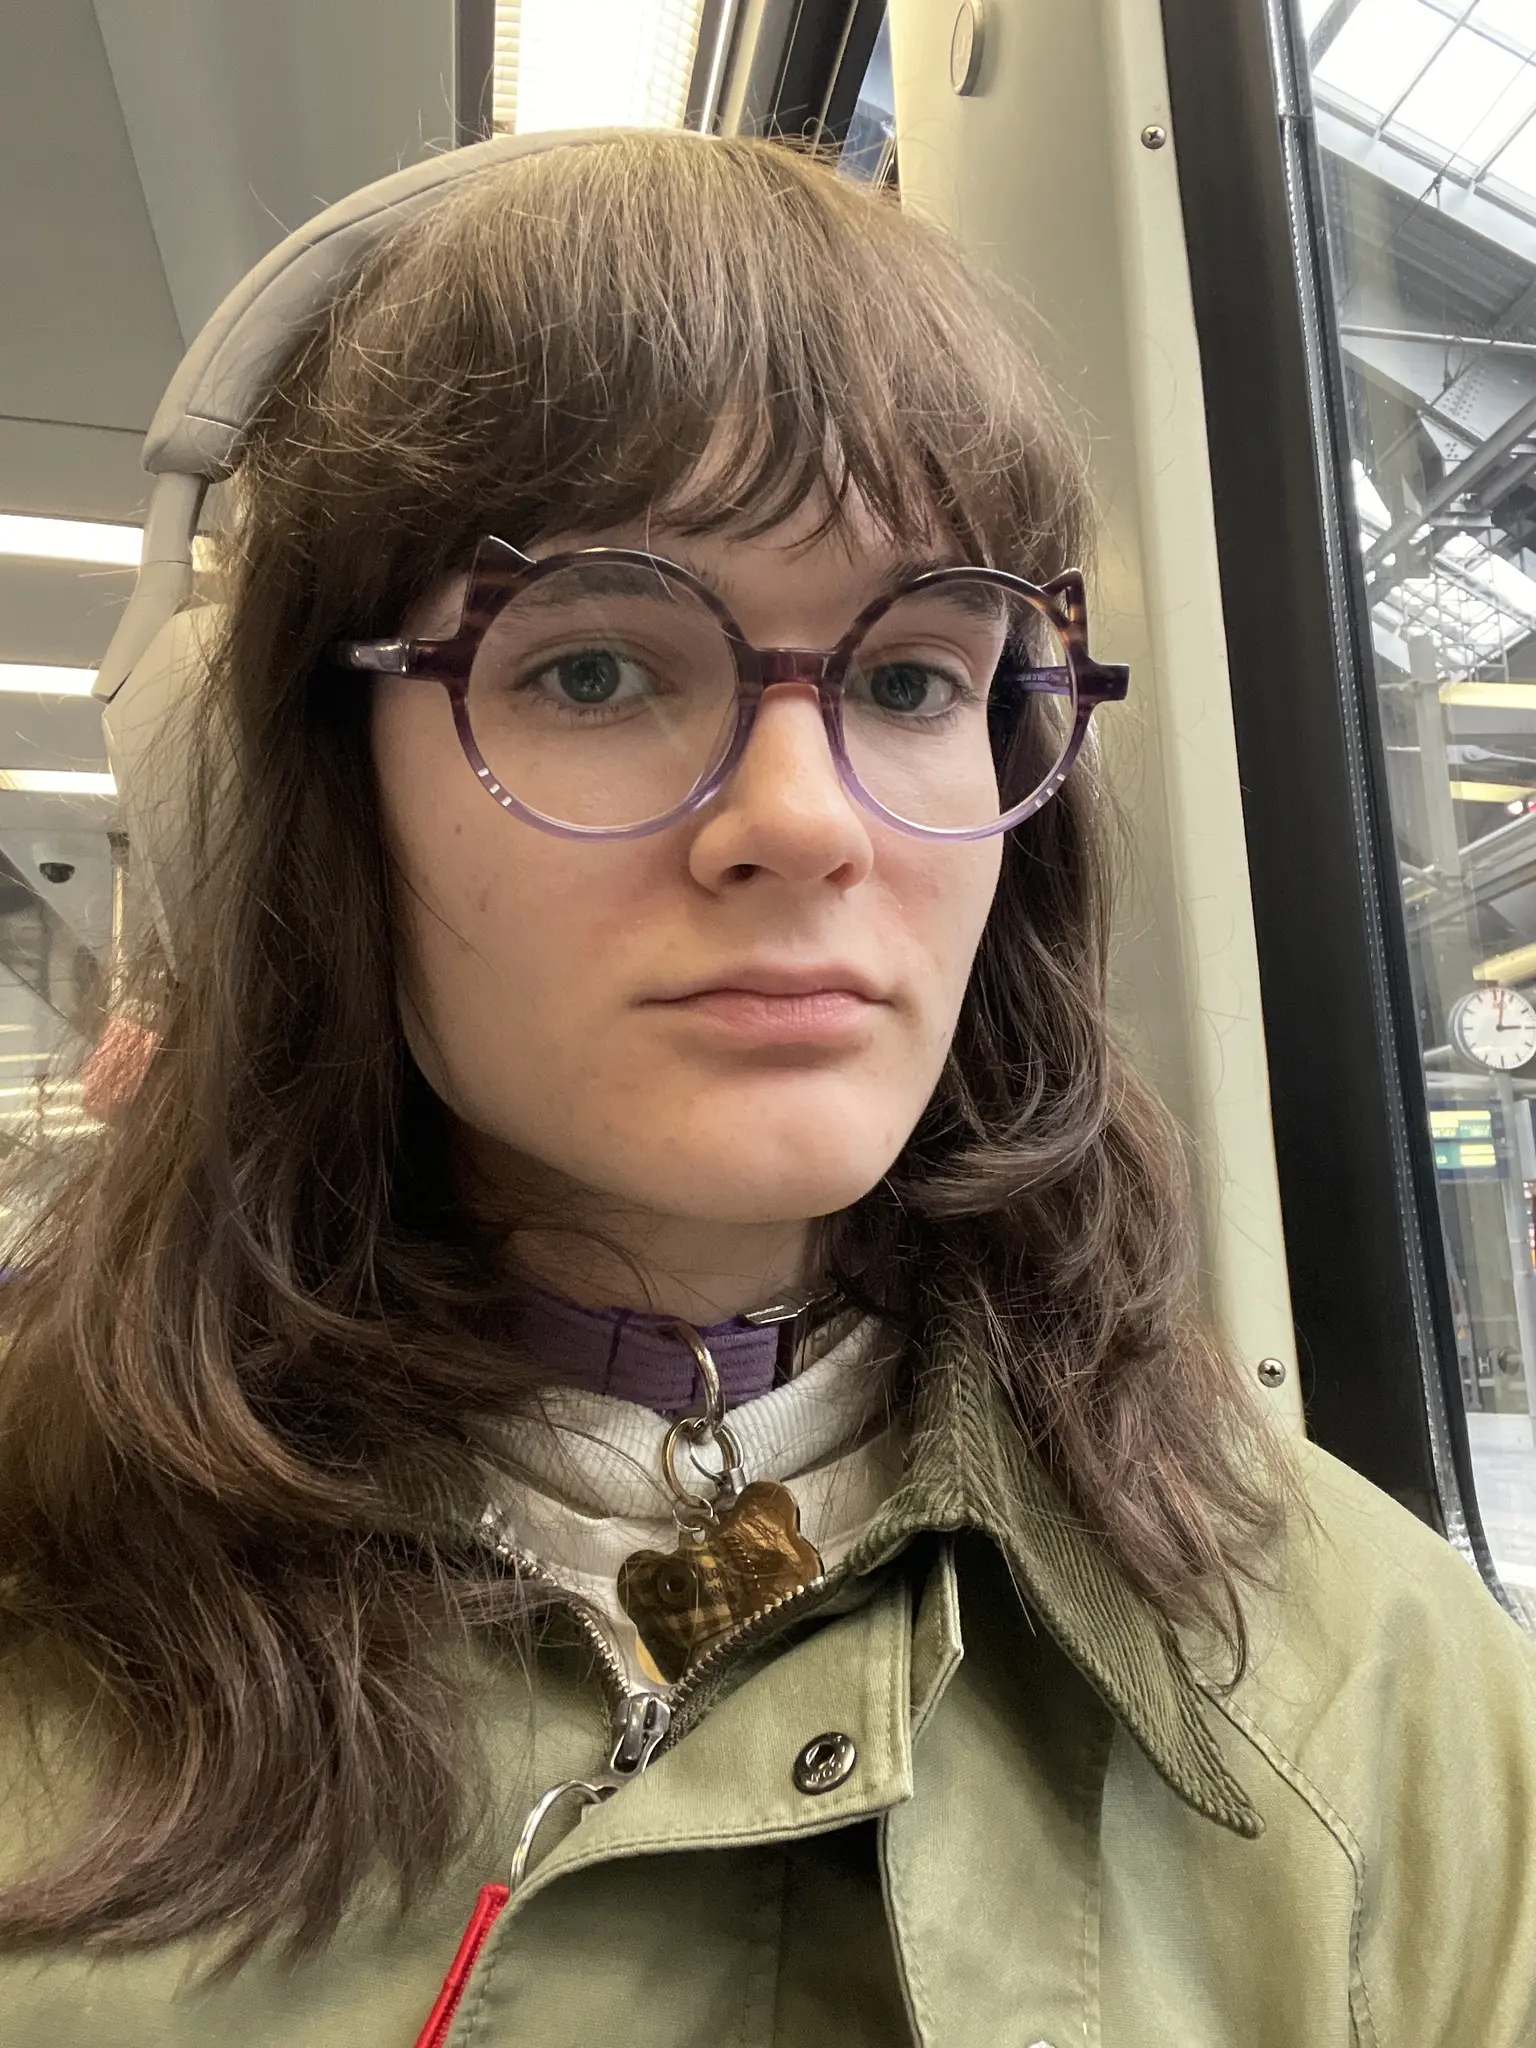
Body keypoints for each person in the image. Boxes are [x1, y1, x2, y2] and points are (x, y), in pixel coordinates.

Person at [0, 129, 1530, 2048]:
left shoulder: (1375, 1691)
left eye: (912, 681)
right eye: (589, 671)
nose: (806, 824)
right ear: (295, 788)